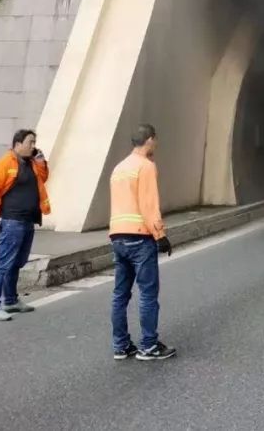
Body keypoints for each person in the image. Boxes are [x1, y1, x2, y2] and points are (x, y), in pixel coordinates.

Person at [108, 123, 176, 361]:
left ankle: (121, 346)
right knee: (147, 293)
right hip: (139, 236)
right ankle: (149, 346)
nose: (156, 144)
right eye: (155, 140)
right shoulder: (146, 167)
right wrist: (160, 235)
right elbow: (148, 204)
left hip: (117, 235)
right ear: (149, 140)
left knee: (120, 294)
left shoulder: (119, 168)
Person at [0, 129, 51, 321]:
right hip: (11, 221)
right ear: (17, 144)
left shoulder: (31, 163)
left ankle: (11, 301)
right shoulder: (5, 163)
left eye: (35, 143)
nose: (33, 146)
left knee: (17, 263)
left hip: (27, 220)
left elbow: (42, 178)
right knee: (3, 264)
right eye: (30, 142)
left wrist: (41, 161)